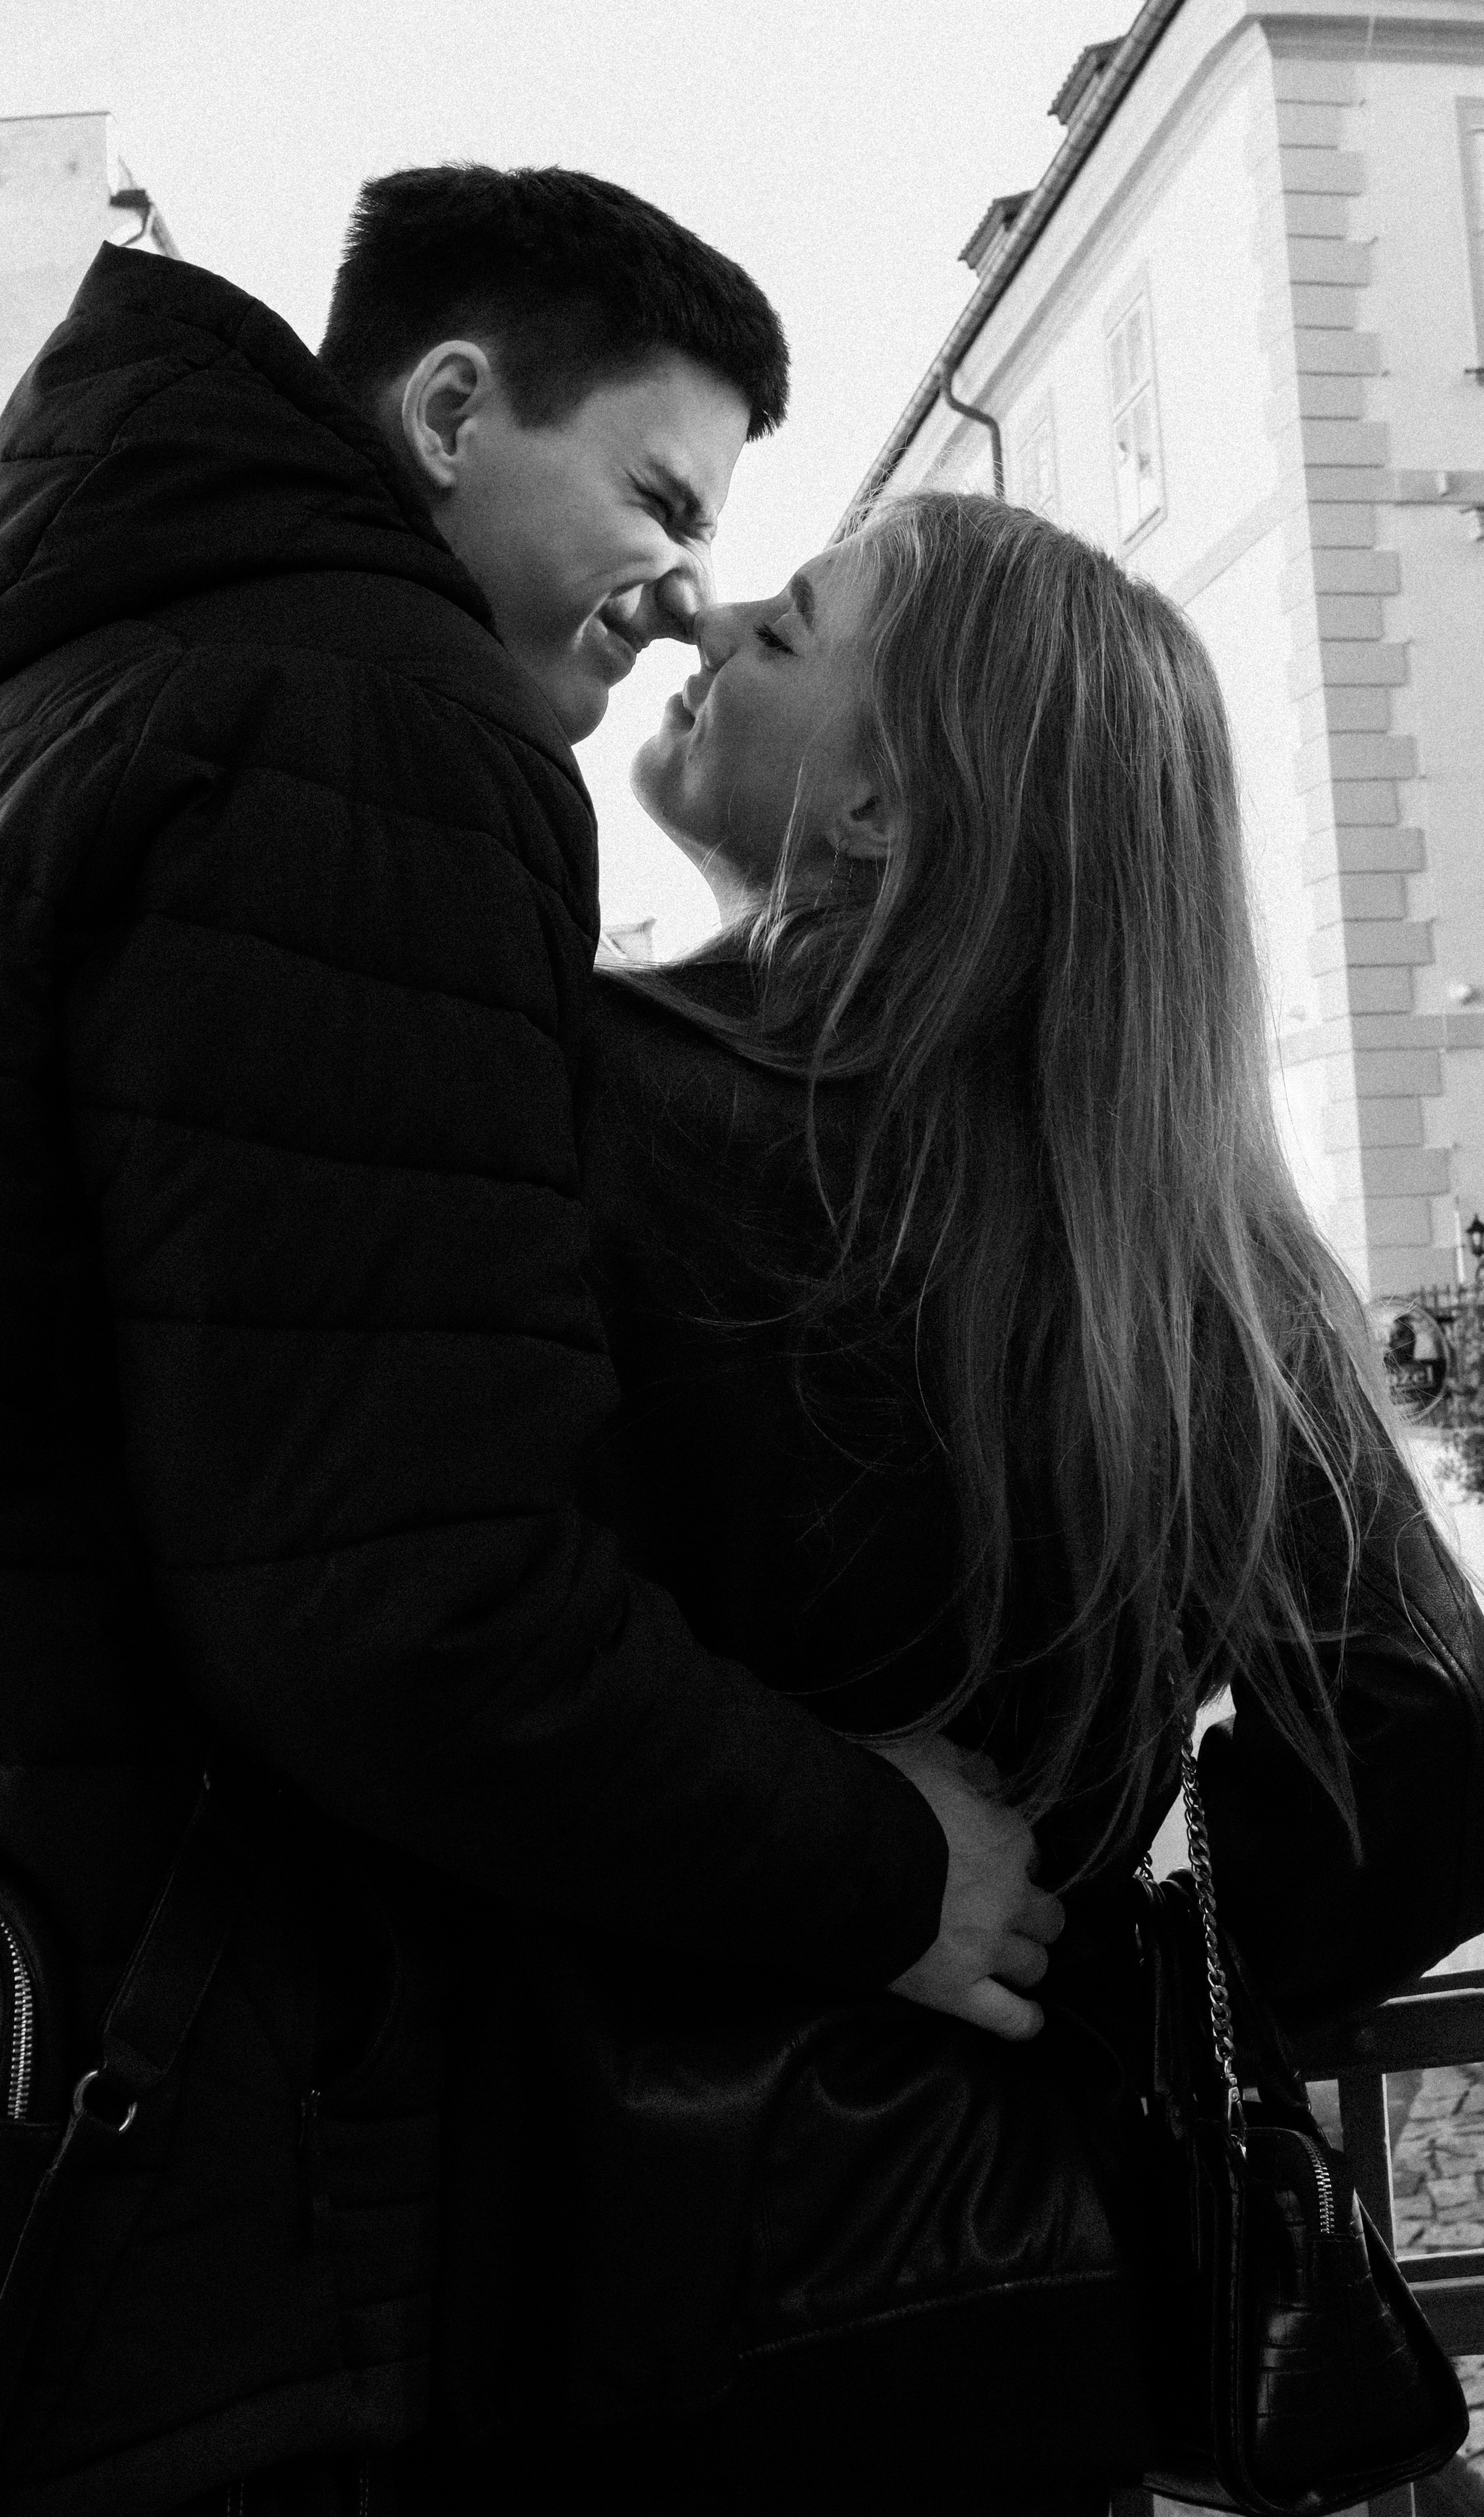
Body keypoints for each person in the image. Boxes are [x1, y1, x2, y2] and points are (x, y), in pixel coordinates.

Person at [0, 176, 1068, 2517]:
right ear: (456, 408)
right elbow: (406, 1594)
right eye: (663, 498)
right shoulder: (366, 725)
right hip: (196, 2149)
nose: (692, 586)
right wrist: (886, 1867)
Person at [414, 487, 1484, 2511]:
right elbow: (1432, 1744)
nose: (711, 619)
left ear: (887, 819)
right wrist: (1062, 1966)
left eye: (794, 632)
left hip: (559, 2252)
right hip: (997, 2261)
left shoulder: (559, 1088)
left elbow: (416, 1626)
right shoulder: (1182, 1234)